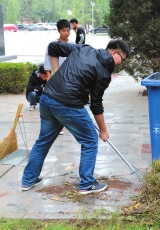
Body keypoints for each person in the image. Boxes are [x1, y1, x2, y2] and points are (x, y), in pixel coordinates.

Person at [21, 38, 130, 195]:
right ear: (114, 52)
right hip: (67, 104)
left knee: (43, 141)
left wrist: (55, 74)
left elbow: (53, 47)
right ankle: (87, 183)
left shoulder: (84, 48)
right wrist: (103, 131)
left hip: (47, 99)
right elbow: (96, 105)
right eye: (123, 58)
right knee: (90, 139)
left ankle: (28, 180)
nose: (122, 62)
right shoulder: (105, 73)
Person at [44, 19, 75, 135]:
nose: (66, 33)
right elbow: (47, 63)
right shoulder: (52, 45)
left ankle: (69, 123)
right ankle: (58, 125)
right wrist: (48, 76)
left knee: (69, 102)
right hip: (57, 78)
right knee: (58, 102)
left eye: (68, 30)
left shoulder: (72, 45)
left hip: (70, 78)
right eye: (63, 30)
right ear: (58, 31)